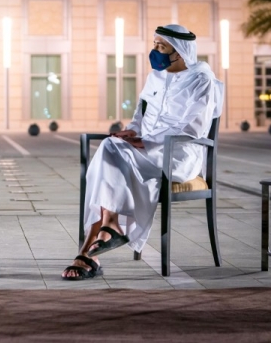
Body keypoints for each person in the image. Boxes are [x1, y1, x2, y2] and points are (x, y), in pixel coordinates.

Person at [62, 24, 224, 280]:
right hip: (145, 149)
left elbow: (194, 127)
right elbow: (141, 113)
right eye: (154, 44)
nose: (155, 50)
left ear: (180, 52)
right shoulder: (155, 77)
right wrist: (133, 131)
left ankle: (89, 251)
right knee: (110, 146)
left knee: (112, 156)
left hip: (179, 153)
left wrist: (149, 142)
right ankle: (107, 228)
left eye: (162, 46)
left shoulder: (201, 79)